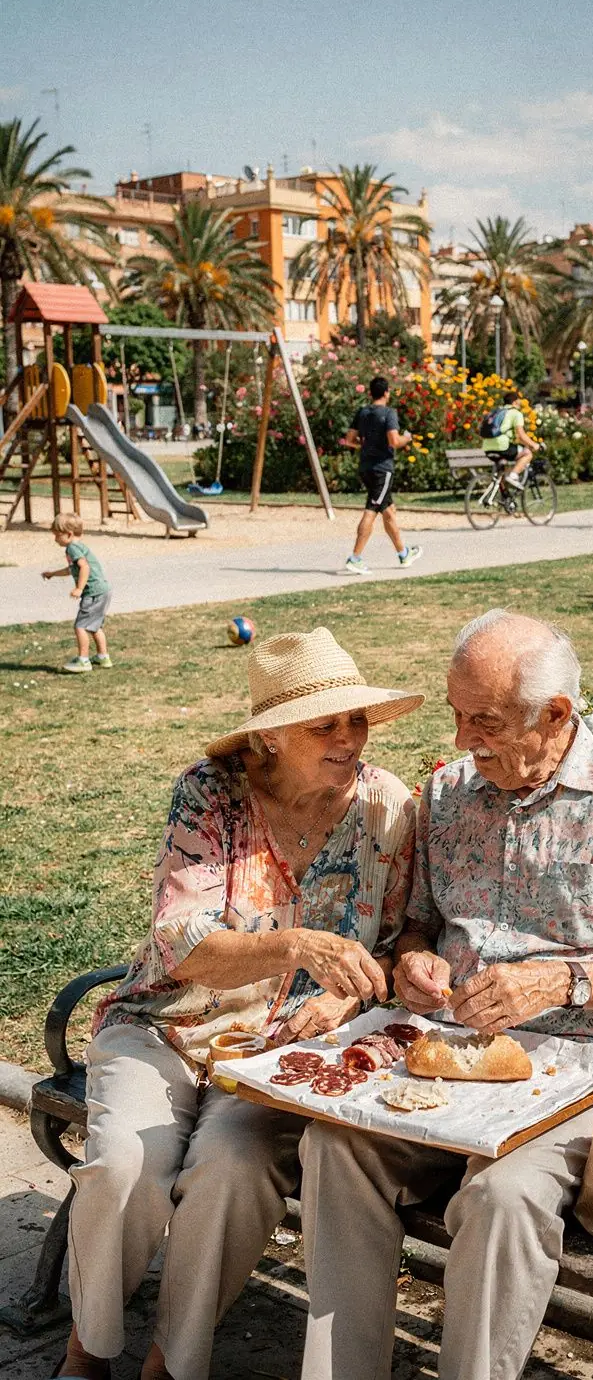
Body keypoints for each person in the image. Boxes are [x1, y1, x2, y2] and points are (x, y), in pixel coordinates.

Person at [297, 610, 593, 1380]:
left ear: (555, 714)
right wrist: (415, 965)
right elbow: (417, 928)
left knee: (503, 1199)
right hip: (452, 1055)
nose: (462, 741)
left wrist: (566, 979)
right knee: (336, 1145)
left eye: (483, 721)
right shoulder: (450, 794)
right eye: (457, 716)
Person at [57, 628, 423, 1380]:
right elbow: (181, 945)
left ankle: (171, 1363)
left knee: (232, 1165)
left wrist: (347, 999)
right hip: (166, 1026)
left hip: (284, 1054)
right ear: (269, 738)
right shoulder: (211, 795)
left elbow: (392, 943)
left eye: (355, 718)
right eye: (325, 723)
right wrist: (298, 946)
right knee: (128, 1162)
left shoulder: (388, 807)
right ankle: (86, 1351)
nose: (349, 736)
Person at [343, 376, 422, 575]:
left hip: (365, 467)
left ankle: (403, 554)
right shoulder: (389, 413)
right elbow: (394, 441)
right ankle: (355, 558)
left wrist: (366, 446)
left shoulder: (363, 412)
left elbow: (349, 440)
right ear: (386, 393)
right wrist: (407, 438)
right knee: (372, 508)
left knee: (388, 510)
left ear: (371, 393)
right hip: (382, 469)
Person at [41, 513, 113, 674]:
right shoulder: (79, 547)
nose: (55, 539)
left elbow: (84, 567)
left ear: (69, 534)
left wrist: (79, 588)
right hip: (103, 591)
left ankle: (83, 660)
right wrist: (52, 573)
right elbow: (72, 569)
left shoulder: (72, 548)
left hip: (93, 592)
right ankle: (103, 657)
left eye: (57, 535)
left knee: (80, 626)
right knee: (95, 626)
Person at [481, 387, 541, 488]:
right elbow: (521, 435)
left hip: (487, 448)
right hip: (502, 447)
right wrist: (534, 445)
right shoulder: (515, 413)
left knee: (502, 473)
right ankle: (513, 475)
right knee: (527, 454)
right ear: (515, 401)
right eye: (519, 401)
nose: (520, 403)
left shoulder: (497, 411)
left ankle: (504, 499)